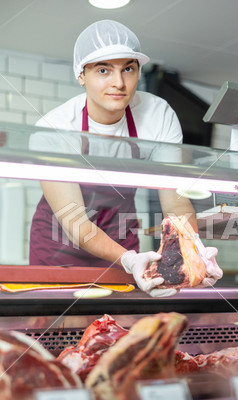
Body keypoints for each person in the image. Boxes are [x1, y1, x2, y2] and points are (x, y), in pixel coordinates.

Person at [29, 20, 222, 296]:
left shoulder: (158, 116)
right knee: (60, 327)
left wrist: (194, 251)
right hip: (58, 246)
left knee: (121, 321)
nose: (118, 83)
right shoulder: (55, 128)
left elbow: (175, 200)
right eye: (103, 70)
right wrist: (130, 261)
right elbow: (77, 225)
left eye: (128, 69)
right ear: (81, 75)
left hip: (120, 236)